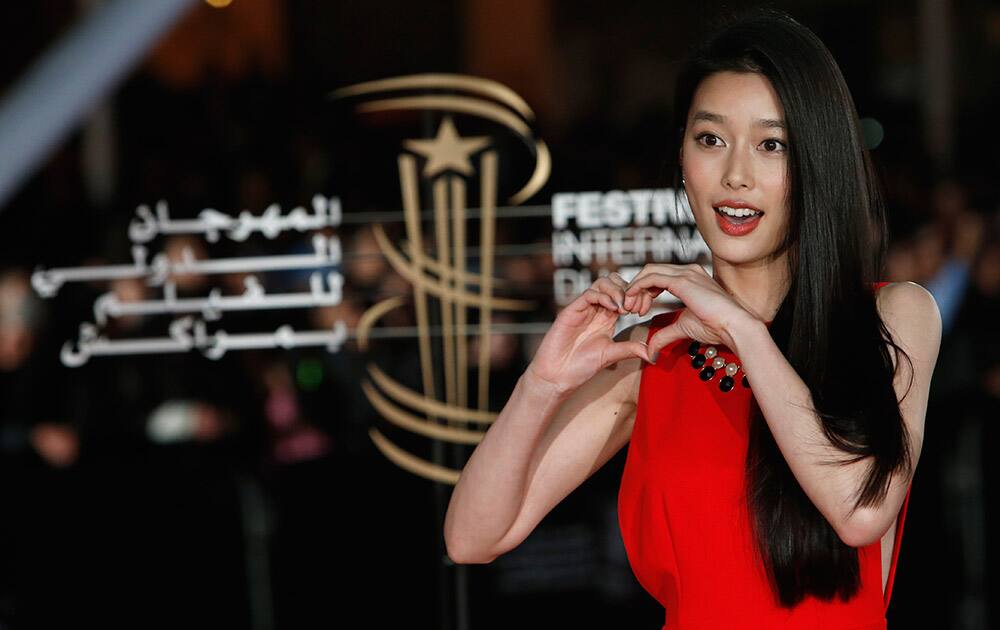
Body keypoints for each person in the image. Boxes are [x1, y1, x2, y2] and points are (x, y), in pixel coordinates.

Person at [443, 8, 942, 629]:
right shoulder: (655, 354)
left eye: (771, 144)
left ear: (816, 162)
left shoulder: (895, 315)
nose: (735, 175)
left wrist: (742, 331)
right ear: (682, 154)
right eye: (710, 139)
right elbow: (471, 537)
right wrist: (541, 386)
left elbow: (860, 510)